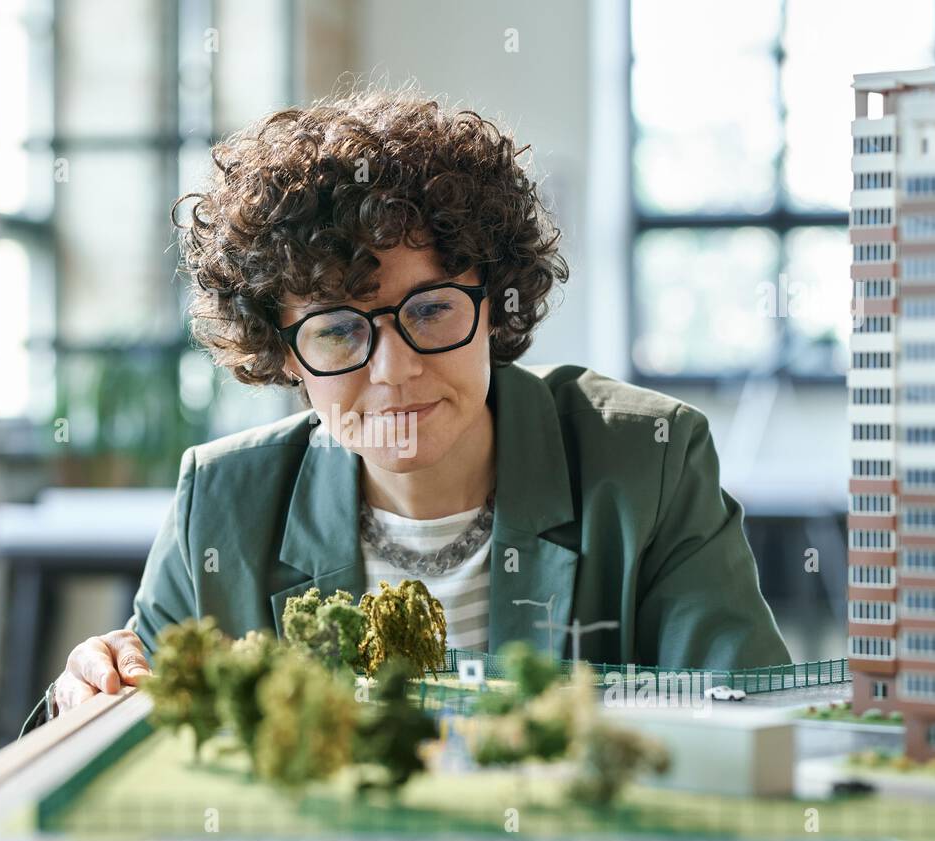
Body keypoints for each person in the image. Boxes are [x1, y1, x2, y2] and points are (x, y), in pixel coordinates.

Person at [49, 86, 790, 718]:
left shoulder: (646, 462)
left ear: (495, 304)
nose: (396, 370)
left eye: (431, 309)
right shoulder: (222, 500)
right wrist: (93, 691)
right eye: (338, 329)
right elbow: (137, 739)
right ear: (282, 351)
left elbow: (753, 722)